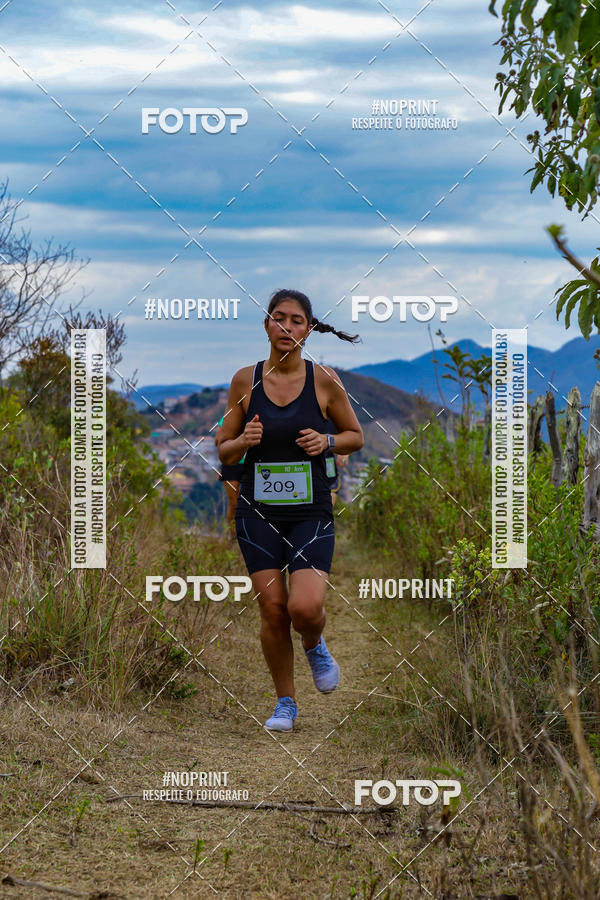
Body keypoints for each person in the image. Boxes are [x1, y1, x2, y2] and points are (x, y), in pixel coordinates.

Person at [218, 289, 364, 731]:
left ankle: (315, 643)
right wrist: (242, 442)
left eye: (296, 320)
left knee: (303, 607)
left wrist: (328, 442)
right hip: (257, 513)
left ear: (309, 328)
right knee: (273, 609)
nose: (286, 327)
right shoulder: (246, 381)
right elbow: (223, 450)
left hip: (310, 512)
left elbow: (354, 435)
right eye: (278, 319)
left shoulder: (324, 380)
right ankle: (286, 702)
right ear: (266, 326)